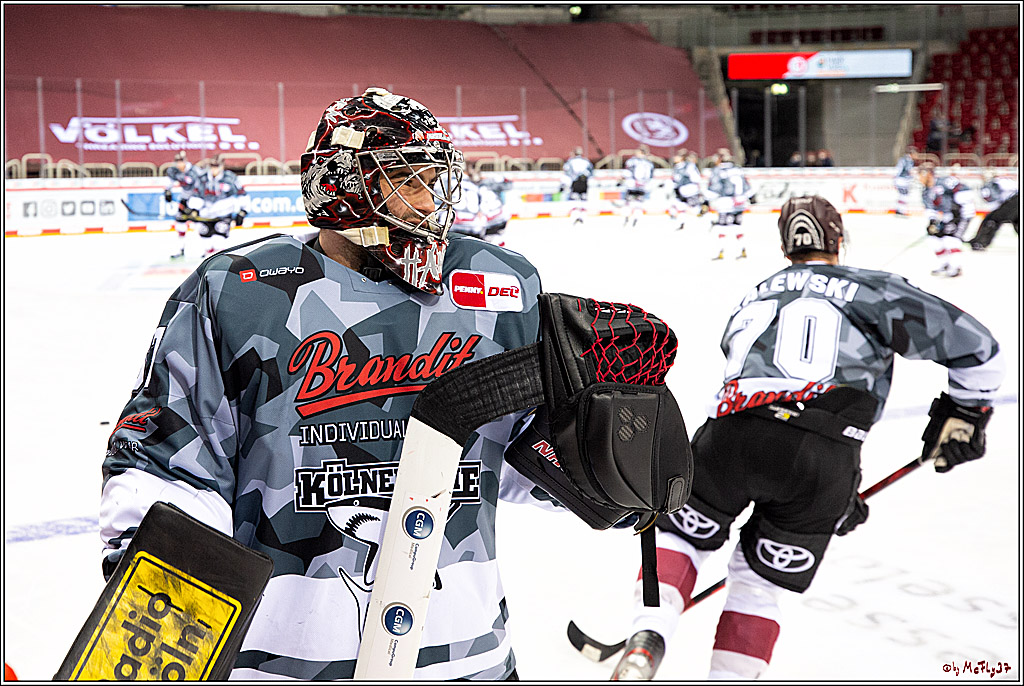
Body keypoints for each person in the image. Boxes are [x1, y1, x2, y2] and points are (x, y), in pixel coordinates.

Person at [99, 88, 555, 680]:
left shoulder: (497, 287)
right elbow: (170, 463)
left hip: (470, 657)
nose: (428, 203)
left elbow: (527, 456)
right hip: (282, 664)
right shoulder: (240, 292)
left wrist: (608, 431)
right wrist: (161, 615)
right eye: (406, 180)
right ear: (338, 183)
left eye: (434, 182)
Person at [612, 195, 1004, 680]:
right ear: (839, 241)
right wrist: (966, 412)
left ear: (785, 247)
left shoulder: (756, 295)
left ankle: (649, 633)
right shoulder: (873, 289)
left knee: (680, 537)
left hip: (730, 436)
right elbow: (980, 350)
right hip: (825, 455)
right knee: (759, 586)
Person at [184, 154, 250, 257]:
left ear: (222, 166)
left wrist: (243, 211)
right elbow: (196, 194)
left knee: (218, 242)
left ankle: (218, 257)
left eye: (217, 166)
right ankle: (208, 255)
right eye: (212, 166)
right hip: (205, 214)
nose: (214, 169)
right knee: (206, 241)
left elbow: (242, 193)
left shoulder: (230, 178)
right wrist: (194, 208)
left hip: (224, 213)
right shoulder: (202, 178)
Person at [918, 161, 975, 277]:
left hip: (961, 216)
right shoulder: (925, 192)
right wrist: (932, 222)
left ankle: (956, 267)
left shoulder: (944, 182)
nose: (919, 178)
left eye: (920, 174)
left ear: (928, 174)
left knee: (951, 240)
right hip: (945, 218)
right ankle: (944, 264)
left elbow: (964, 191)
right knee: (933, 239)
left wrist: (958, 208)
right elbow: (930, 209)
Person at [704, 150, 754, 260]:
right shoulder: (738, 169)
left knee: (722, 227)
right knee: (737, 225)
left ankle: (720, 251)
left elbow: (715, 187)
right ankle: (742, 249)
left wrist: (706, 200)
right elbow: (746, 186)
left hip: (725, 202)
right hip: (740, 201)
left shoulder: (718, 170)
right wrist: (750, 197)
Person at [164, 151, 204, 259]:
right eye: (177, 161)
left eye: (181, 161)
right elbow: (170, 182)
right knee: (180, 223)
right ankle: (180, 248)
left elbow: (201, 186)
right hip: (184, 199)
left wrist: (194, 205)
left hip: (197, 199)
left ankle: (205, 250)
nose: (179, 164)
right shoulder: (174, 171)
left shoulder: (194, 171)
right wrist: (167, 191)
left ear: (186, 161)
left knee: (199, 225)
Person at [968, 171, 1019, 250]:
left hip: (1014, 201)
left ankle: (980, 243)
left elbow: (994, 199)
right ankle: (979, 241)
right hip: (1014, 201)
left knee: (992, 220)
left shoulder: (993, 183)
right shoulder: (1003, 180)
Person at [668, 150, 704, 231]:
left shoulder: (689, 166)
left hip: (690, 190)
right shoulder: (677, 167)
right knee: (679, 206)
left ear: (682, 157)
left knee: (694, 209)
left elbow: (696, 178)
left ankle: (700, 223)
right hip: (681, 191)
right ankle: (681, 223)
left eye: (677, 156)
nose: (674, 158)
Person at [622, 145, 656, 228]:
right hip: (643, 186)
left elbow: (627, 172)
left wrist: (623, 179)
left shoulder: (632, 161)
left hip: (632, 184)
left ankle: (626, 219)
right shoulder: (649, 163)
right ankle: (636, 220)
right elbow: (651, 176)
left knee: (628, 202)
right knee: (638, 204)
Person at [562, 147, 594, 225]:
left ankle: (575, 217)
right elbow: (591, 172)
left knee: (575, 198)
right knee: (583, 198)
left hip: (575, 182)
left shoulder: (570, 161)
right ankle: (582, 217)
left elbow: (566, 171)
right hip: (584, 182)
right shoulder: (586, 161)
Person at [892, 146, 916, 217]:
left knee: (903, 195)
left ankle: (899, 209)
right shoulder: (904, 160)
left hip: (905, 180)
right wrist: (896, 178)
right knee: (903, 195)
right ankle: (901, 210)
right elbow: (899, 169)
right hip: (902, 180)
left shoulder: (910, 161)